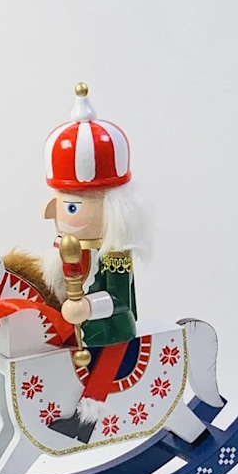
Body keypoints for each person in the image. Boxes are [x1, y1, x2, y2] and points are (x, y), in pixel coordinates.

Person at [42, 83, 150, 443]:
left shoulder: (115, 255)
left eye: (74, 206)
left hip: (111, 325)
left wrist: (88, 306)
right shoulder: (67, 247)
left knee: (107, 361)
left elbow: (118, 298)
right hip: (78, 324)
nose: (59, 213)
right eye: (62, 202)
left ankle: (86, 420)